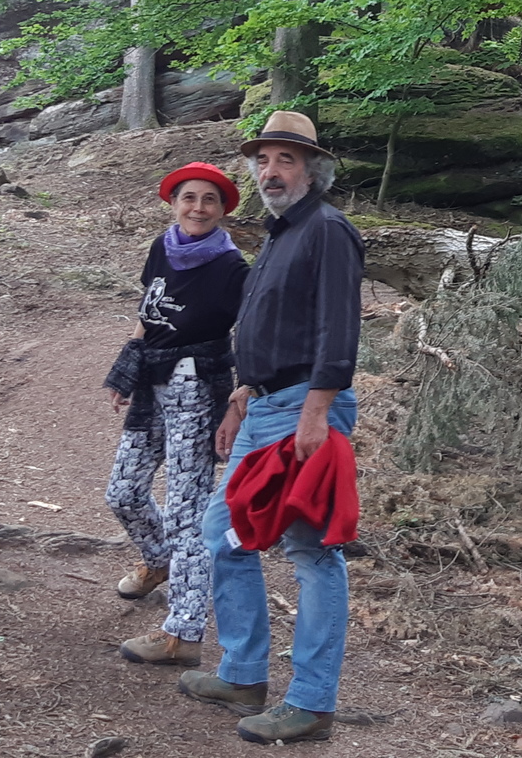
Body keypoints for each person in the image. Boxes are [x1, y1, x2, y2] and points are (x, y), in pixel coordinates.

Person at [176, 110, 362, 744]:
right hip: (266, 406)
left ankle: (311, 702)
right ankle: (242, 674)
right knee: (223, 533)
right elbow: (276, 326)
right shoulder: (281, 233)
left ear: (312, 169)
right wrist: (243, 393)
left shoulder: (328, 230)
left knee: (312, 549)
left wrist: (316, 412)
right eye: (263, 160)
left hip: (305, 410)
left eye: (286, 159)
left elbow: (339, 329)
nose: (271, 170)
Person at [102, 161, 247, 668]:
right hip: (154, 383)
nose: (198, 208)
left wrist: (240, 397)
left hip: (199, 388)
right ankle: (160, 561)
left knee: (187, 512)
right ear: (173, 203)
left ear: (223, 210)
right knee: (123, 492)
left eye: (210, 200)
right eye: (189, 198)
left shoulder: (232, 270)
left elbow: (250, 334)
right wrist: (127, 367)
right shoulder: (162, 247)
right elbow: (149, 312)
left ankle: (183, 632)